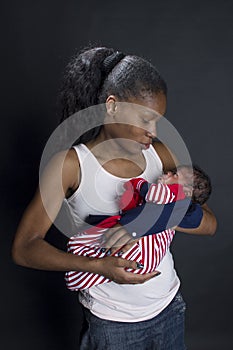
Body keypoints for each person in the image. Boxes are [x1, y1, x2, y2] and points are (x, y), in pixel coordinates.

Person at [12, 46, 217, 350]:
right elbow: (24, 248)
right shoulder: (71, 166)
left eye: (158, 121)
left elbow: (209, 224)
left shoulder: (161, 154)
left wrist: (156, 217)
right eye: (146, 119)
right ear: (112, 106)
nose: (154, 131)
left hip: (170, 307)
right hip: (113, 325)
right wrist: (99, 267)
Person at [65, 164, 212, 291]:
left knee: (103, 244)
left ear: (187, 191)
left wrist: (140, 185)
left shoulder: (173, 194)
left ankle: (80, 270)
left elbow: (208, 224)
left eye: (174, 174)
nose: (167, 173)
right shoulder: (74, 166)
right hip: (110, 310)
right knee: (108, 252)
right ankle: (83, 269)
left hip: (163, 291)